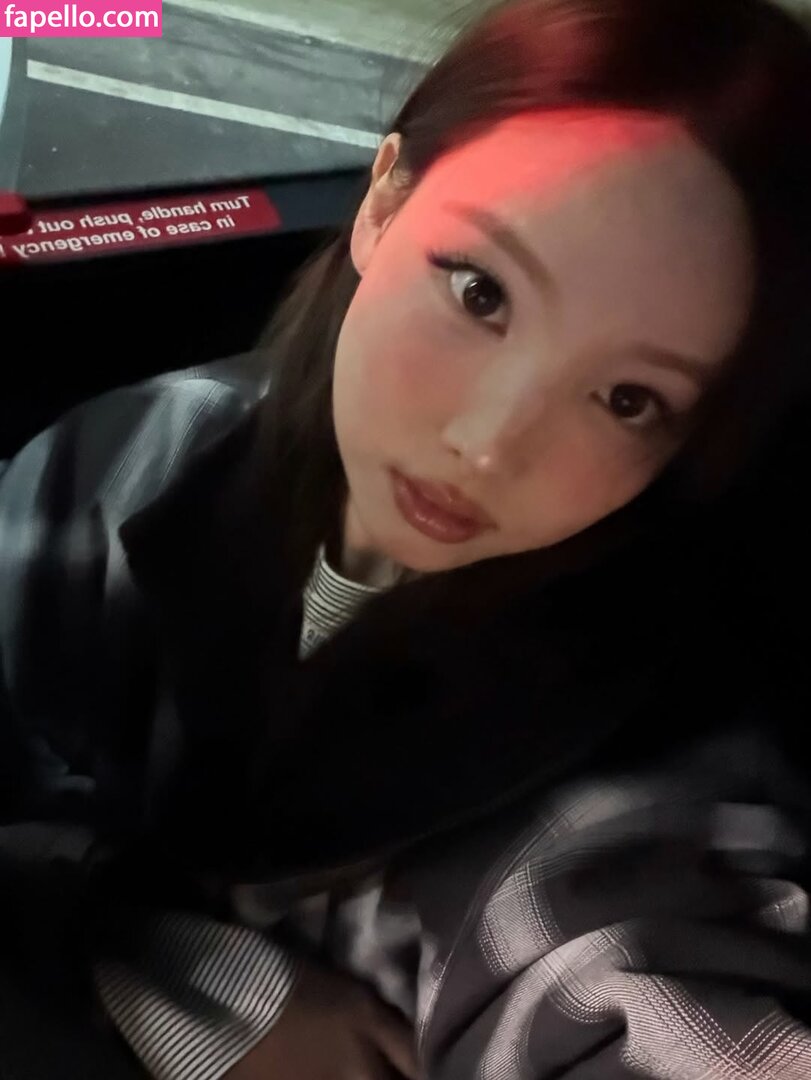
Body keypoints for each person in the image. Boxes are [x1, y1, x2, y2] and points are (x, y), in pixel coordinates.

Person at [2, 0, 811, 1077]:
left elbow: (657, 1002)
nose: (486, 444)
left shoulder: (647, 802)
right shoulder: (120, 461)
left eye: (626, 399)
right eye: (480, 292)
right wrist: (178, 976)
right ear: (383, 200)